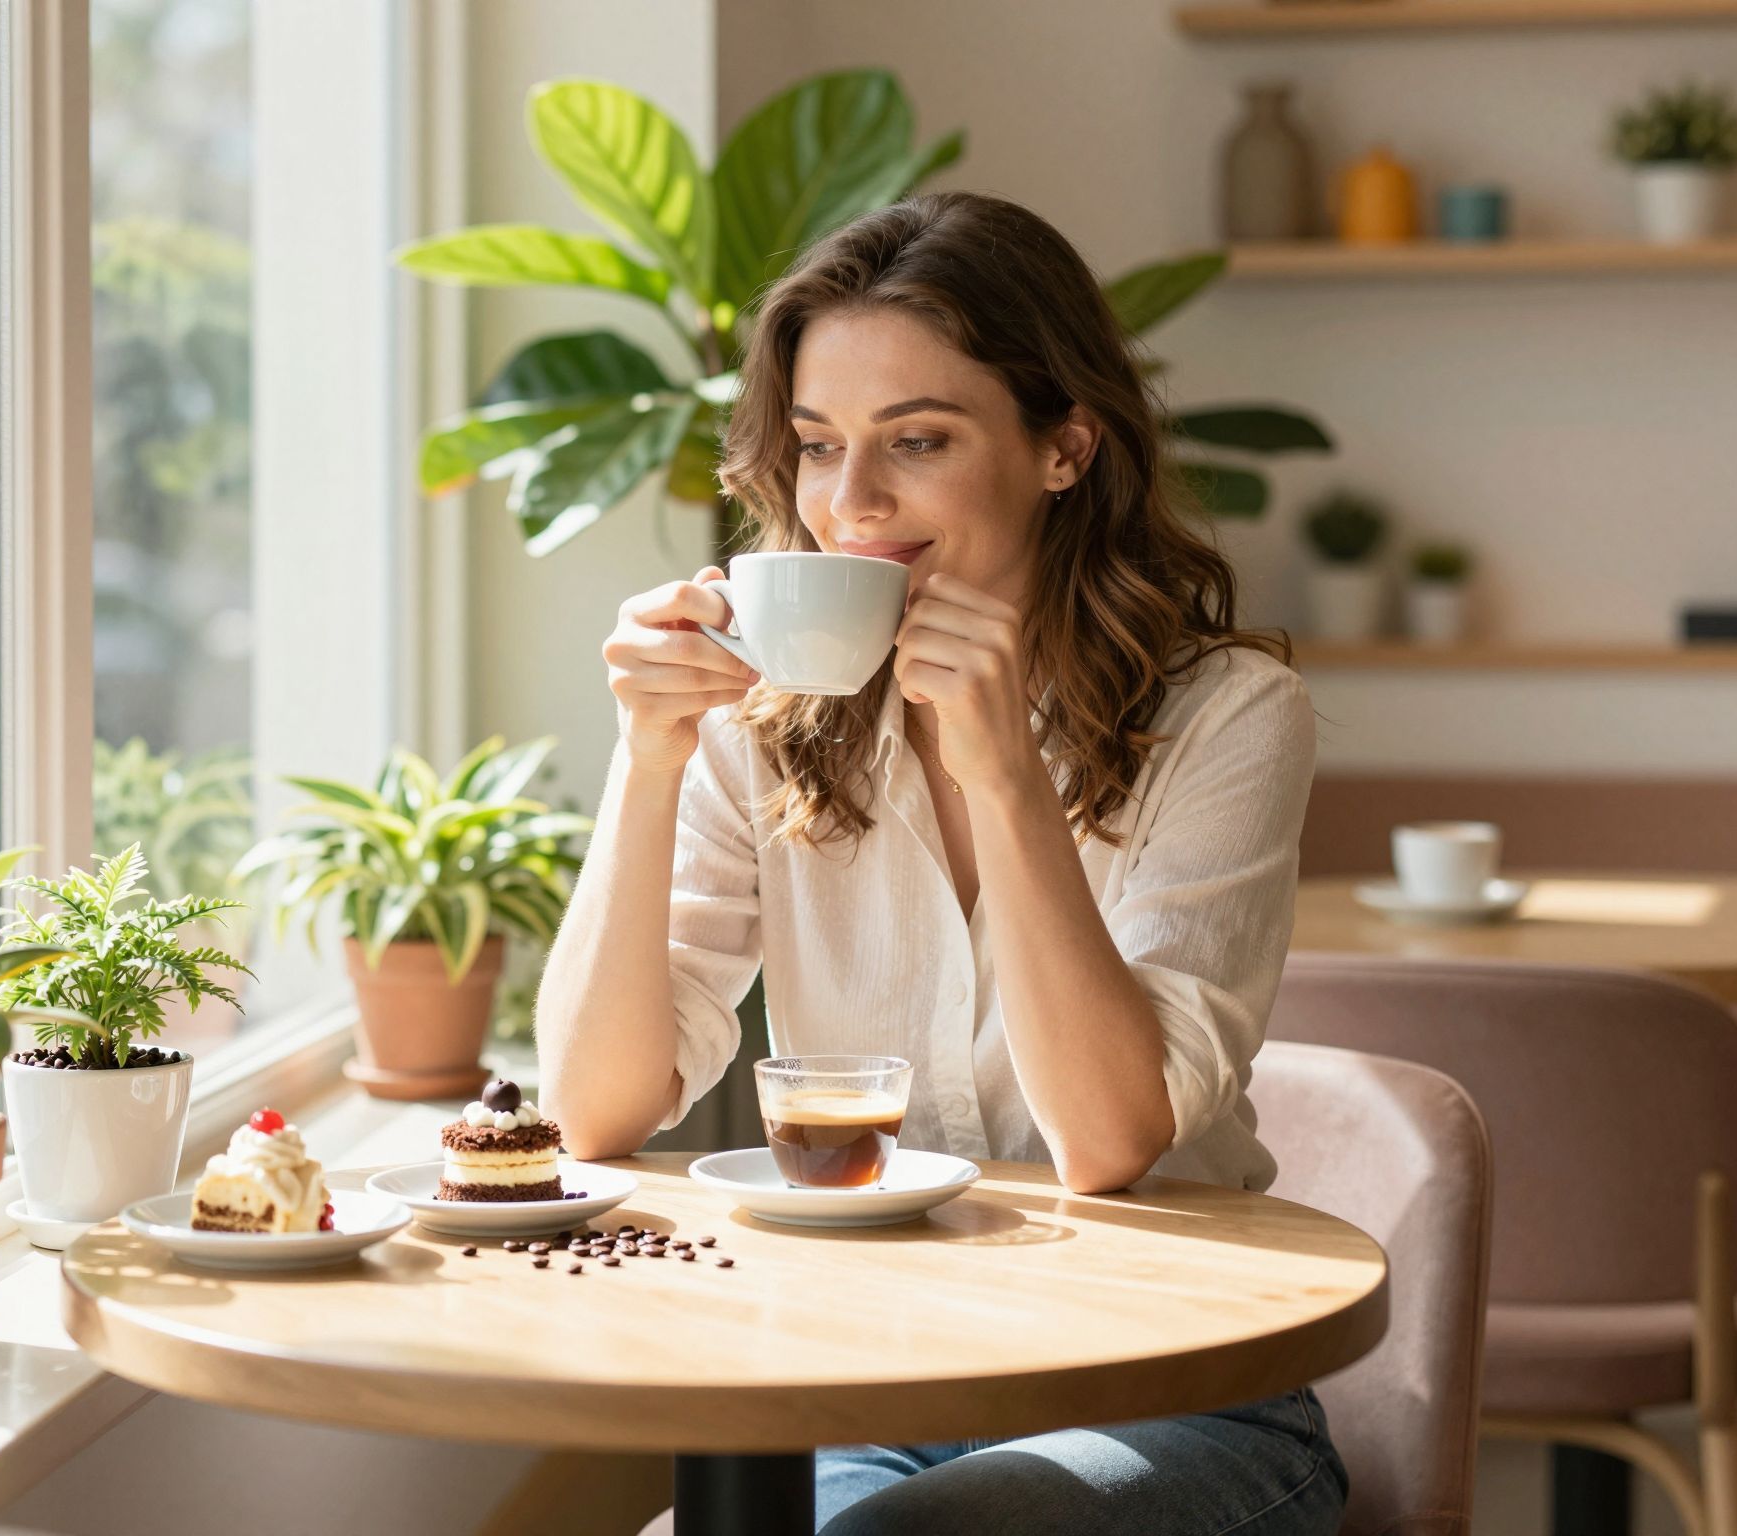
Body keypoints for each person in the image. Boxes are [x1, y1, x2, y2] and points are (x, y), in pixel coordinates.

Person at [537, 189, 1340, 1535]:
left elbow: (1110, 1141)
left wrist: (1008, 776)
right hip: (873, 1386)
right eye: (817, 445)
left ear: (1063, 447)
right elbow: (592, 1115)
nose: (851, 502)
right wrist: (650, 760)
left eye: (916, 440)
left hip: (1170, 1392)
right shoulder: (764, 727)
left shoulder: (1230, 716)